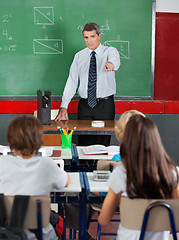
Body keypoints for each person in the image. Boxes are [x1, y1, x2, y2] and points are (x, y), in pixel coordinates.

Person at [98, 115, 179, 240]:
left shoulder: (120, 173)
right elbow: (176, 215)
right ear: (156, 140)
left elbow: (103, 219)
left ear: (126, 142)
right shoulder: (172, 173)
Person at [0, 115, 71, 240]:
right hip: (40, 235)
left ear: (10, 142)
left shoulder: (1, 162)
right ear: (39, 141)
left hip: (6, 234)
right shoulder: (46, 164)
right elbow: (66, 182)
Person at [55, 22, 120, 146]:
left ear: (99, 36)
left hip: (105, 105)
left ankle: (100, 166)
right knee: (84, 144)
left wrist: (110, 64)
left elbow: (115, 60)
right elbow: (72, 81)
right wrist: (64, 105)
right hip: (85, 105)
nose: (89, 41)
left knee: (102, 144)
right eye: (86, 37)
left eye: (92, 36)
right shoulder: (79, 56)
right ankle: (86, 165)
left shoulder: (110, 51)